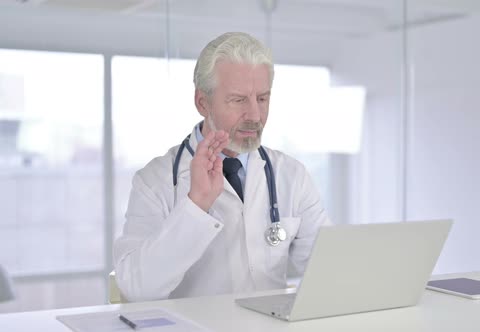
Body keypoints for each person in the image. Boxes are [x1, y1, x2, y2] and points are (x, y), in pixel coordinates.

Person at [113, 32, 331, 302]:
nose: (254, 115)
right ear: (203, 102)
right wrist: (195, 206)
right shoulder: (155, 181)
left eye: (262, 98)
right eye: (238, 100)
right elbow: (137, 289)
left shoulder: (292, 175)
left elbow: (329, 271)